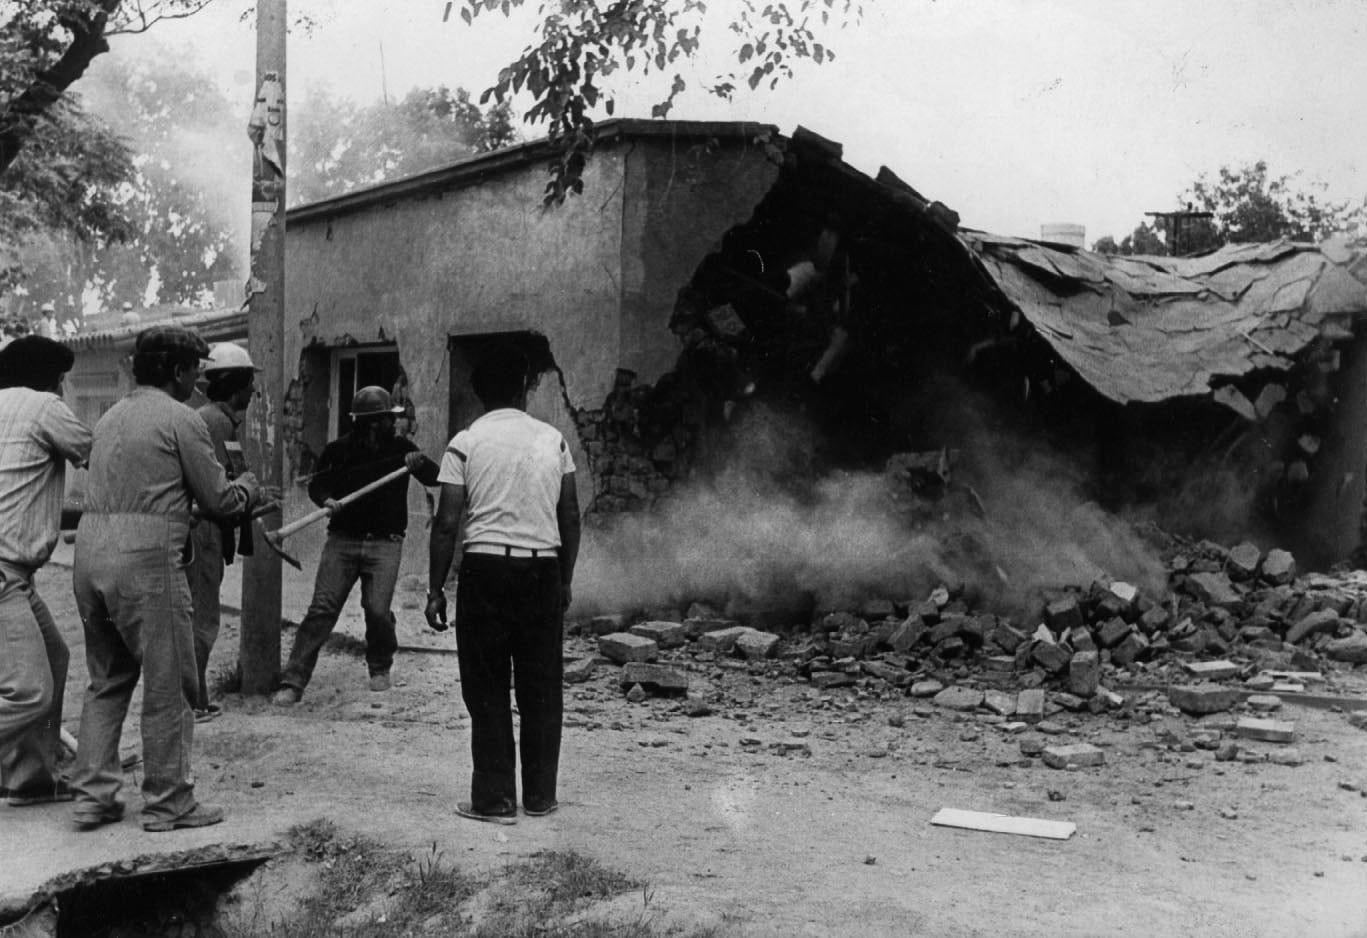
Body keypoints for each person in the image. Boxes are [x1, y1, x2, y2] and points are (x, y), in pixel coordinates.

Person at [70, 325, 259, 833]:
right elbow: (219, 502)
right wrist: (247, 487)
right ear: (175, 371)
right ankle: (169, 801)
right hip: (145, 559)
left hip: (88, 555)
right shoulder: (183, 420)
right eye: (196, 370)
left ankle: (93, 796)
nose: (201, 381)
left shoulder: (110, 416)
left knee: (107, 681)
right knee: (171, 679)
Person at [425, 344, 580, 824]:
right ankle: (539, 796)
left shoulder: (465, 442)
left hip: (486, 571)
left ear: (480, 394)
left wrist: (435, 589)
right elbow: (570, 516)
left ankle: (494, 801)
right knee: (541, 685)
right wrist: (565, 579)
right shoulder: (553, 440)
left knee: (487, 685)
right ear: (524, 390)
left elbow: (447, 522)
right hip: (542, 570)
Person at [272, 386, 439, 704]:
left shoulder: (402, 448)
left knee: (376, 610)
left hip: (385, 544)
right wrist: (327, 499)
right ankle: (293, 681)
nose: (391, 425)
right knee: (322, 610)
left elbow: (434, 477)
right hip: (342, 541)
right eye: (387, 419)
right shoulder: (338, 451)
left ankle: (379, 665)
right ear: (371, 423)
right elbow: (318, 484)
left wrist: (420, 462)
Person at [0, 336, 92, 808]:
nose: (62, 388)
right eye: (60, 379)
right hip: (3, 571)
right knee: (30, 694)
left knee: (56, 657)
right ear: (49, 378)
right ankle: (23, 773)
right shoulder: (43, 406)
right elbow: (95, 453)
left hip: (14, 573)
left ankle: (29, 779)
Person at [185, 342, 264, 722]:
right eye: (250, 384)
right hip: (203, 530)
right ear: (238, 384)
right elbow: (224, 487)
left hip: (208, 526)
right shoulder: (215, 422)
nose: (253, 392)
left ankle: (195, 696)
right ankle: (192, 701)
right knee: (202, 619)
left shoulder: (215, 419)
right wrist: (253, 491)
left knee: (201, 617)